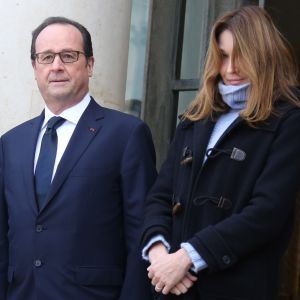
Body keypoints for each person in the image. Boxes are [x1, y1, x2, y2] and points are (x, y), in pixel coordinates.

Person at [141, 5, 300, 299]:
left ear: (263, 55)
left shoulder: (288, 119)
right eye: (224, 56)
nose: (230, 68)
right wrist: (160, 255)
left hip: (237, 288)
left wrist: (187, 257)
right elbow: (160, 196)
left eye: (241, 55)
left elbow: (268, 212)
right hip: (174, 288)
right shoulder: (197, 116)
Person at [0, 17, 157, 300]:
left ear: (90, 64)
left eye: (68, 56)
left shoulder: (126, 135)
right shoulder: (11, 143)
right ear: (35, 67)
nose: (56, 66)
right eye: (46, 57)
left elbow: (141, 238)